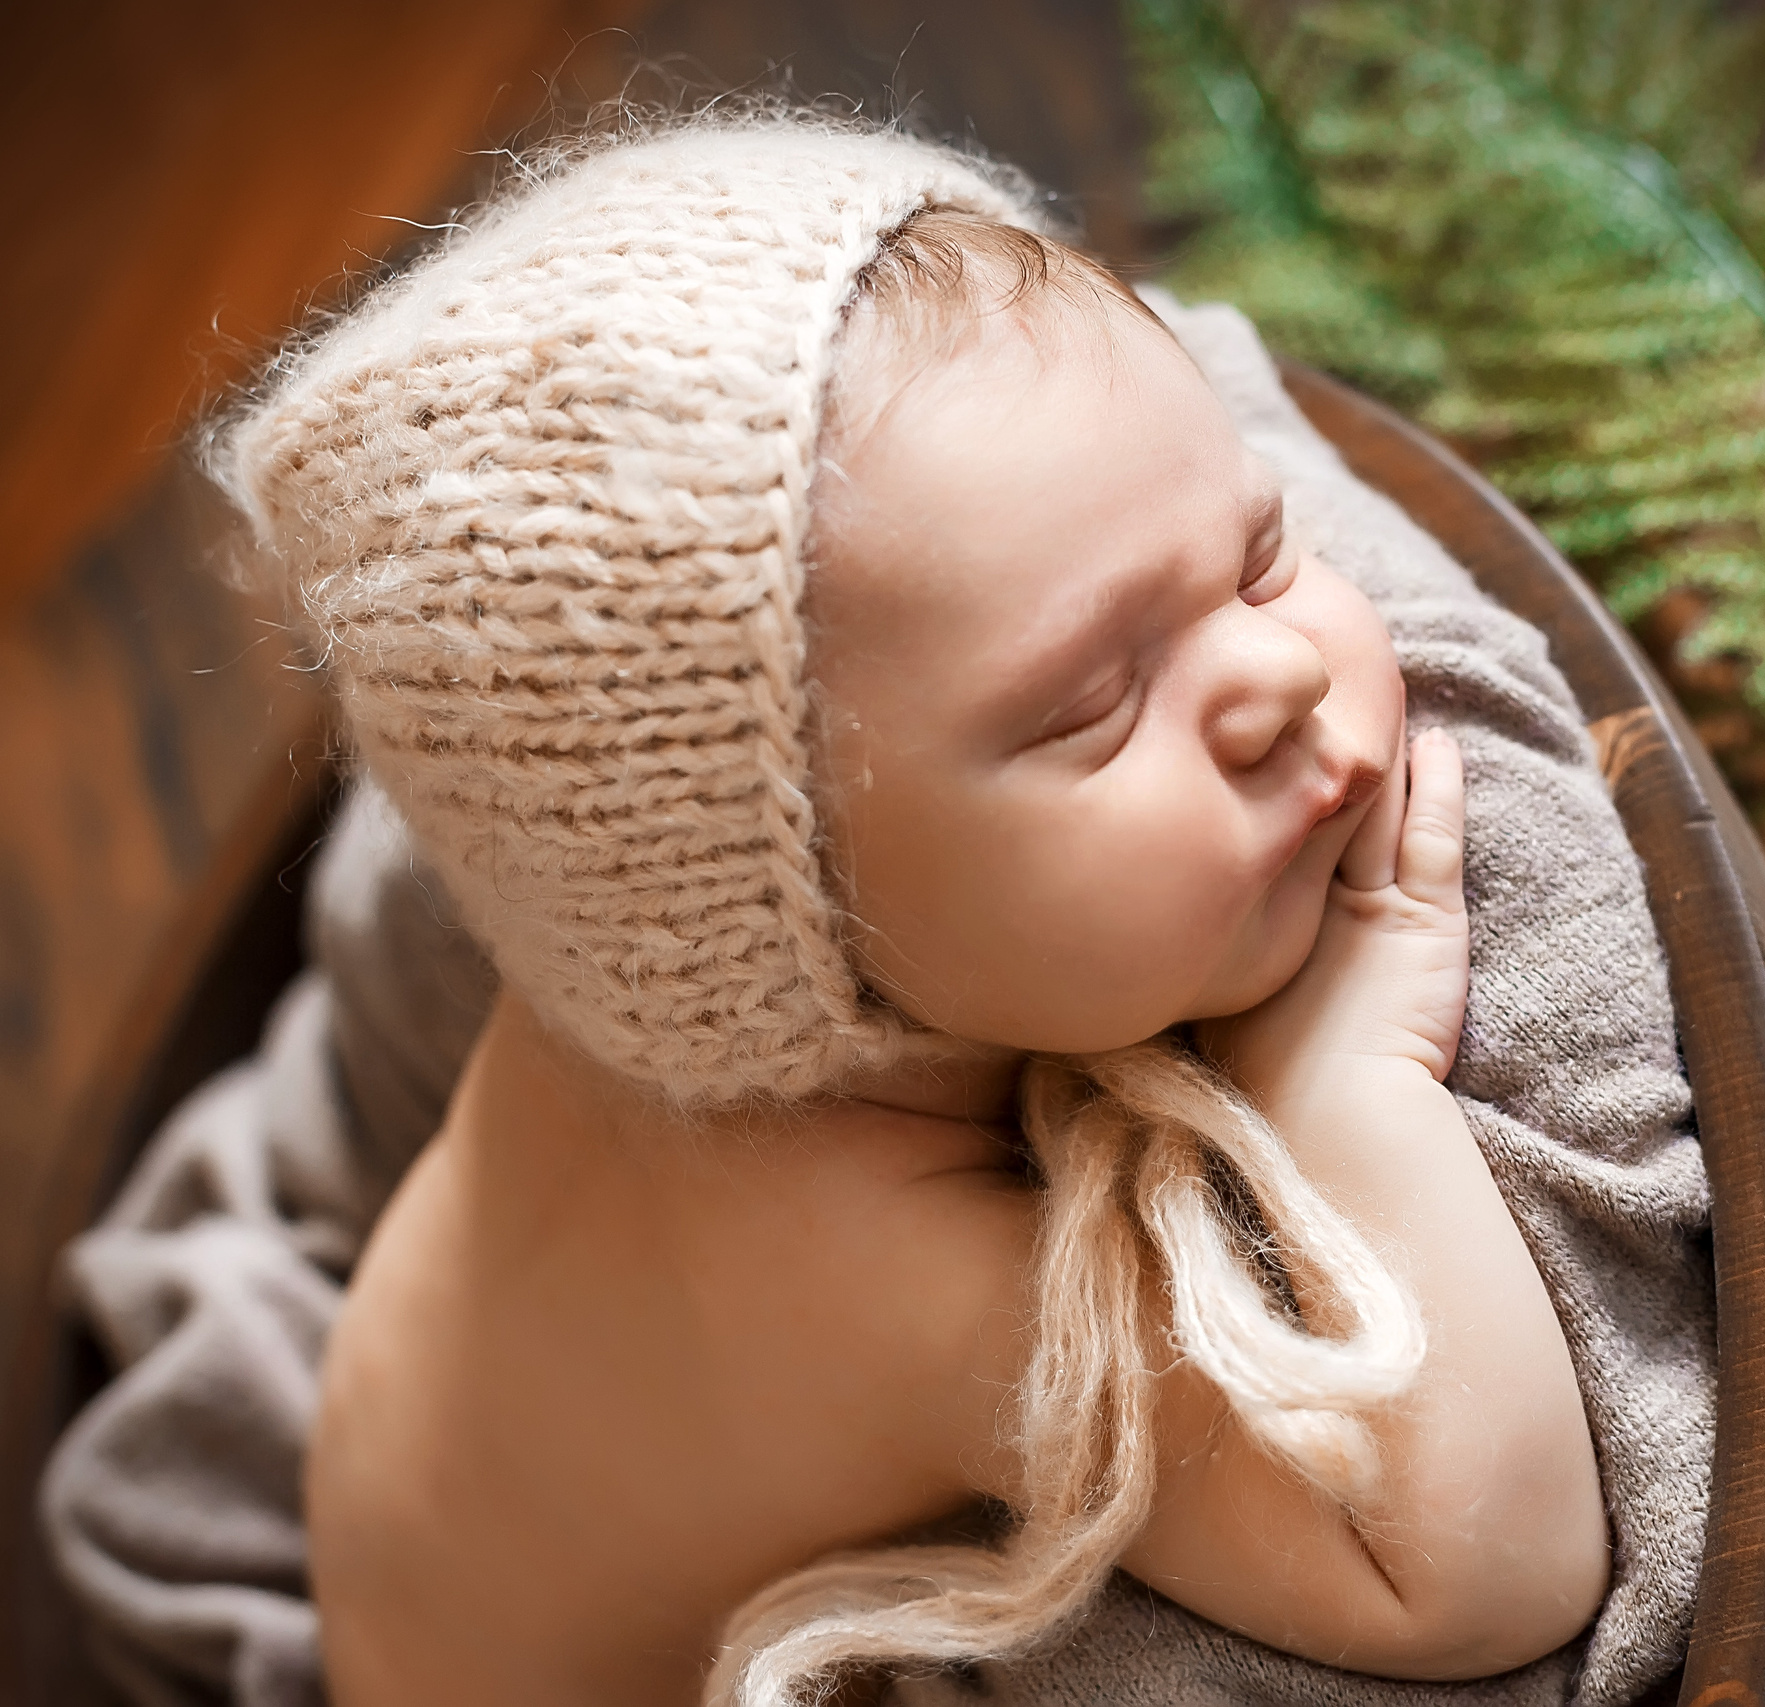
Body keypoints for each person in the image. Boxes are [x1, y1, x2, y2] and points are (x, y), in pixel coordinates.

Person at [217, 119, 1612, 1706]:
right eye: (1094, 705)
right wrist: (1348, 1089)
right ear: (802, 914)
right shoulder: (862, 1263)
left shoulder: (682, 967)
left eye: (1260, 552)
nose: (1280, 677)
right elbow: (1479, 1576)